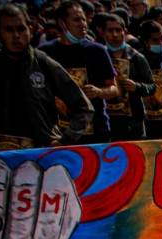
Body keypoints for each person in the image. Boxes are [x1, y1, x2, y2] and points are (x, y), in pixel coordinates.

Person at [0, 3, 93, 149]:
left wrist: (64, 140)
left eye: (21, 29)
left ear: (30, 28)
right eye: (9, 30)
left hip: (39, 152)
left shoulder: (43, 63)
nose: (16, 36)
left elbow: (84, 107)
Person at [40, 0, 119, 144]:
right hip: (58, 134)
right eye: (77, 20)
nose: (83, 24)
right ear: (62, 23)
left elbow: (114, 89)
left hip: (96, 133)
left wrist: (99, 92)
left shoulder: (97, 51)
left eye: (84, 19)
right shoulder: (45, 53)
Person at [99, 12, 155, 141]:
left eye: (118, 30)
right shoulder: (98, 56)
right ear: (103, 33)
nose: (115, 35)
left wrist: (137, 87)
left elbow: (152, 87)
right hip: (107, 120)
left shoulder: (136, 57)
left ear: (124, 32)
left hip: (133, 121)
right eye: (110, 31)